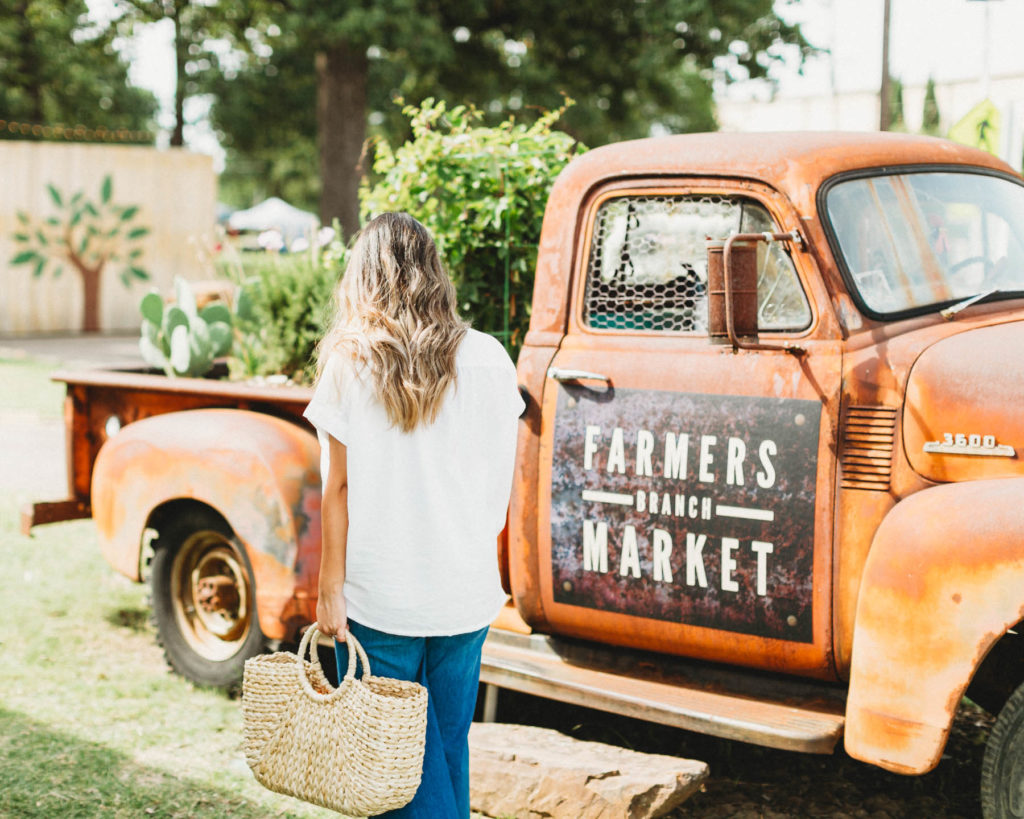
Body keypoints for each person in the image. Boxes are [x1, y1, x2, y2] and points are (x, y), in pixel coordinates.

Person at [302, 211, 523, 818]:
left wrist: (329, 590)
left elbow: (338, 488)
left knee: (395, 767)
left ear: (364, 276)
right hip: (465, 589)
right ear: (433, 272)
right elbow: (497, 473)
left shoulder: (350, 362)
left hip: (381, 596)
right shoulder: (490, 357)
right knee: (447, 748)